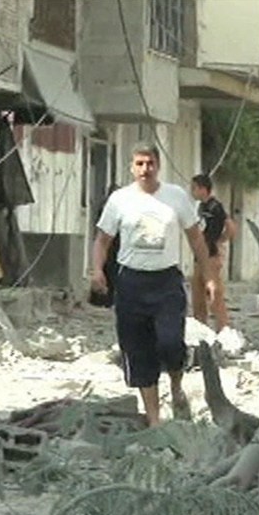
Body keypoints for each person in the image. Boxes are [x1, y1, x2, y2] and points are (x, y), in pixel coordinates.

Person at [91, 143, 217, 427]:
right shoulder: (120, 200)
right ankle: (154, 419)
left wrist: (209, 277)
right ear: (131, 167)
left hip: (166, 281)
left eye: (150, 163)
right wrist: (97, 270)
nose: (145, 169)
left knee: (171, 342)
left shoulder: (176, 196)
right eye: (139, 164)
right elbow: (102, 240)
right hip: (131, 282)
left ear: (158, 165)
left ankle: (176, 386)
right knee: (138, 350)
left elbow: (196, 238)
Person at [189, 174, 236, 332]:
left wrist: (220, 240)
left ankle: (223, 329)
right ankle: (201, 329)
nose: (192, 192)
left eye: (194, 188)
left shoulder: (215, 207)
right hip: (199, 256)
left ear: (203, 189)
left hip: (211, 255)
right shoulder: (200, 207)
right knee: (197, 295)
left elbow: (231, 227)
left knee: (214, 294)